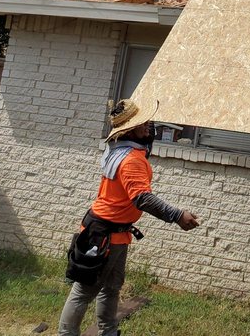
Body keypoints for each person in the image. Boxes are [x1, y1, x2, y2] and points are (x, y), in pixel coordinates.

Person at [57, 99, 199, 336]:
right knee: (85, 290)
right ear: (131, 129)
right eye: (143, 124)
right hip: (103, 234)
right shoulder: (131, 158)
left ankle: (108, 332)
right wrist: (177, 215)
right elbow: (142, 198)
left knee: (111, 288)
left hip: (115, 233)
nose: (149, 127)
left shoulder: (121, 149)